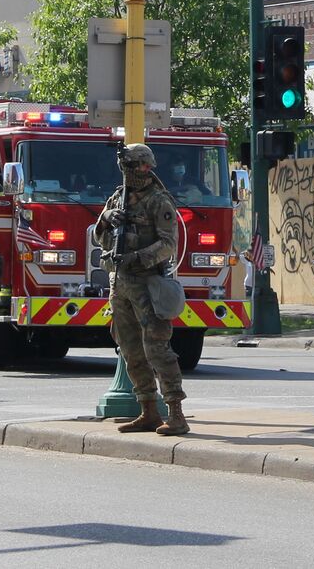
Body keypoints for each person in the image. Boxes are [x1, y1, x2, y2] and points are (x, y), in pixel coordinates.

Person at [96, 143, 189, 436]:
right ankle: (147, 409)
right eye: (125, 167)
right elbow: (100, 237)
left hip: (148, 283)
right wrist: (106, 220)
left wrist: (138, 256)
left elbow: (169, 244)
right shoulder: (117, 198)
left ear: (145, 168)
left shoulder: (158, 201)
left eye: (133, 166)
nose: (128, 172)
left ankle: (175, 412)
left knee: (157, 349)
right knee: (129, 348)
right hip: (120, 283)